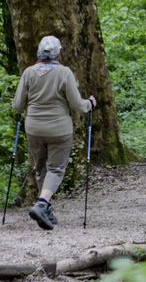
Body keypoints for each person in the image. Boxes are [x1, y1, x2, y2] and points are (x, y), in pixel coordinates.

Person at [12, 35, 96, 230]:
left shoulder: (29, 73)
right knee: (56, 169)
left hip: (33, 127)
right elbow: (77, 105)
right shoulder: (64, 73)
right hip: (59, 128)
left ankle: (45, 208)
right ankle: (42, 204)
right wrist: (89, 103)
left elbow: (17, 105)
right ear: (58, 53)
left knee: (41, 167)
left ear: (39, 53)